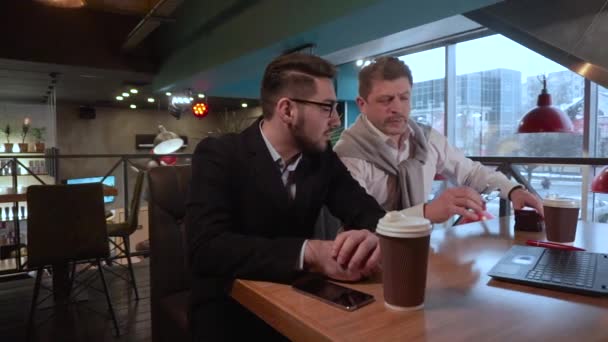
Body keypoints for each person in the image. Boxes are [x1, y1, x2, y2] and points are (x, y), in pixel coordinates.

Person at [186, 53, 385, 341]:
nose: (335, 120)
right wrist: (311, 253)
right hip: (229, 313)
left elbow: (366, 211)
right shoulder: (219, 154)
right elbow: (206, 248)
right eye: (327, 107)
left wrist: (371, 238)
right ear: (287, 110)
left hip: (302, 304)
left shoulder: (321, 158)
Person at [334, 57, 544, 224]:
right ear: (362, 104)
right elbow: (364, 221)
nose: (397, 108)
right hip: (364, 257)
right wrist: (428, 212)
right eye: (386, 100)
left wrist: (513, 189)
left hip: (422, 247)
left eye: (404, 98)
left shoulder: (425, 139)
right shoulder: (348, 153)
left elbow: (470, 173)